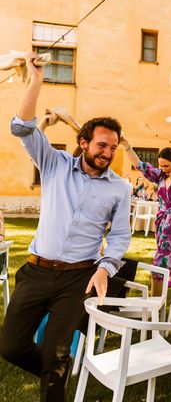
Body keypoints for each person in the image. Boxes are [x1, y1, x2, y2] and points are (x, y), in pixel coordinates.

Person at [0, 54, 131, 401]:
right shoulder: (53, 163)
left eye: (113, 148)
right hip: (36, 271)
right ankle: (57, 366)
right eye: (102, 145)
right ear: (84, 143)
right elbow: (21, 127)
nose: (107, 153)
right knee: (10, 346)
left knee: (56, 360)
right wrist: (36, 80)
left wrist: (106, 267)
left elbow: (119, 236)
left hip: (78, 277)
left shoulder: (120, 187)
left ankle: (57, 369)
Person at [122, 143, 171, 296]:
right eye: (161, 165)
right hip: (163, 225)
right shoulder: (159, 176)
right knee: (161, 262)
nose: (163, 168)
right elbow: (139, 165)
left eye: (167, 165)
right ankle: (156, 303)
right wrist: (127, 146)